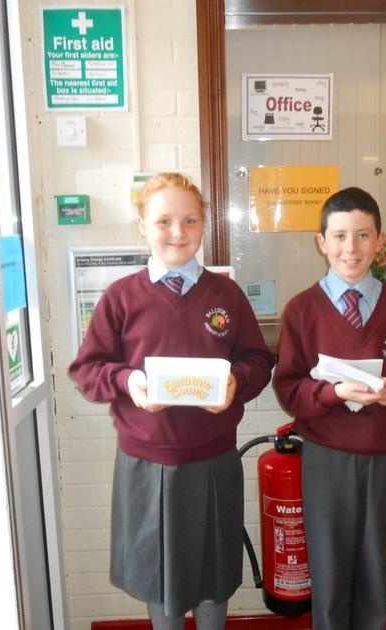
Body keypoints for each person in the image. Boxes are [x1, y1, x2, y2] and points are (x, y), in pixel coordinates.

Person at [68, 172, 275, 630]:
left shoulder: (227, 294)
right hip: (147, 465)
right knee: (160, 582)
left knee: (213, 578)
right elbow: (87, 370)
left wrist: (236, 382)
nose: (178, 232)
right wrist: (128, 381)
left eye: (190, 220)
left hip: (213, 461)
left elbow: (259, 360)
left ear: (205, 224)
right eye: (164, 221)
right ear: (142, 225)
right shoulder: (121, 297)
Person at [272, 186, 386, 630]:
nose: (351, 248)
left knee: (372, 560)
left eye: (363, 235)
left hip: (382, 453)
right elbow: (288, 388)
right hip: (326, 454)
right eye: (340, 236)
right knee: (328, 563)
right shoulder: (302, 310)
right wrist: (333, 393)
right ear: (322, 243)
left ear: (379, 241)